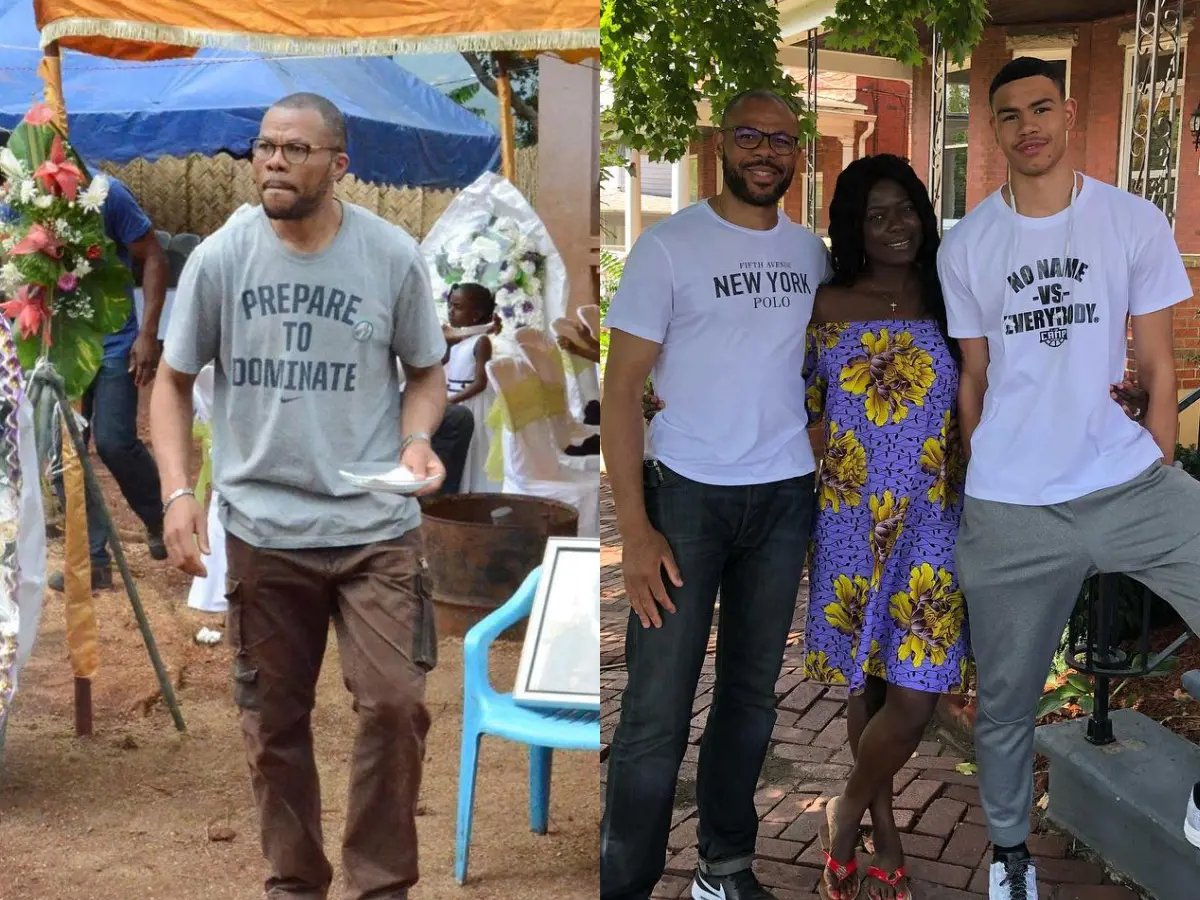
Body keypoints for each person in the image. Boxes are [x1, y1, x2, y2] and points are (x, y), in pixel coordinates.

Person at [149, 91, 447, 900]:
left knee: (393, 706)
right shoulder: (220, 258)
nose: (274, 161)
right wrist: (179, 495)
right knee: (273, 725)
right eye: (265, 147)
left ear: (338, 164)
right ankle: (295, 884)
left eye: (295, 149)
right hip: (264, 529)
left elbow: (427, 374)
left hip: (373, 526)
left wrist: (417, 438)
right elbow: (171, 385)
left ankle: (381, 885)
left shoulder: (390, 255)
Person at [938, 56, 1200, 900]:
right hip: (1013, 508)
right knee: (1008, 699)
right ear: (993, 129)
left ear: (1070, 111)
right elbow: (972, 376)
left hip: (1126, 486)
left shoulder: (1131, 221)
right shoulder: (969, 245)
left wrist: (1156, 456)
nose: (1028, 126)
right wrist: (989, 462)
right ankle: (1011, 856)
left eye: (1041, 107)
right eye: (1008, 114)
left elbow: (1159, 364)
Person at [601, 88, 829, 900]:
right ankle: (624, 881)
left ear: (797, 154)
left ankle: (723, 871)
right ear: (720, 145)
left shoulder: (813, 254)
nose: (767, 151)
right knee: (656, 710)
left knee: (749, 699)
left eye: (782, 140)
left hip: (782, 501)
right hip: (686, 500)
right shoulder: (669, 247)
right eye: (750, 136)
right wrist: (636, 529)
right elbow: (622, 389)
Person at [802, 154, 967, 900]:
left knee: (916, 695)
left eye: (906, 209)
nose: (896, 225)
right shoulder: (829, 304)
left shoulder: (951, 299)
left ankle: (845, 812)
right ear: (854, 229)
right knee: (865, 676)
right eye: (877, 214)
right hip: (848, 520)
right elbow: (800, 407)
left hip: (933, 518)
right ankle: (888, 827)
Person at [47, 174, 171, 591]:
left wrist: (148, 334)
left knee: (115, 442)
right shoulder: (17, 207)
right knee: (62, 453)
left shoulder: (105, 194)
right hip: (57, 346)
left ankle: (158, 516)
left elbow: (152, 255)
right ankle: (94, 559)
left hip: (115, 340)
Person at [442, 282, 500, 492]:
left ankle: (475, 491)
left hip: (472, 404)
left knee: (475, 450)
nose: (451, 311)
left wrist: (450, 401)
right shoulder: (458, 340)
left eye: (457, 307)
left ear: (475, 315)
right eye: (450, 305)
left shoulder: (481, 341)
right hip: (457, 398)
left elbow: (480, 382)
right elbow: (441, 361)